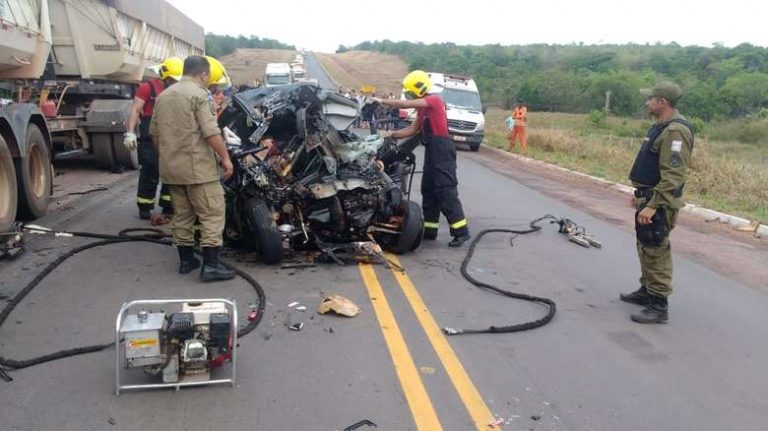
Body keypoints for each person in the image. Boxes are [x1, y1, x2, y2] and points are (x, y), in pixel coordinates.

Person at [150, 55, 236, 282]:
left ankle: (186, 261)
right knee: (212, 214)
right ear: (204, 75)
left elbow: (155, 134)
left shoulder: (163, 96)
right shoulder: (199, 95)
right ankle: (211, 265)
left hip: (172, 169)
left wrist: (167, 156)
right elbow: (211, 132)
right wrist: (225, 158)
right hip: (198, 169)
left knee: (182, 215)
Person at [621, 82, 694, 323]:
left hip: (660, 202)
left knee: (656, 249)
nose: (647, 102)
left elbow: (673, 175)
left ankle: (659, 304)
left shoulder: (675, 132)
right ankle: (647, 290)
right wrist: (640, 194)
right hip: (649, 196)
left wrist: (653, 204)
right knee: (646, 245)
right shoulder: (661, 127)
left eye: (650, 99)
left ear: (662, 102)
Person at [377, 70, 470, 247]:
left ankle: (461, 232)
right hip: (432, 150)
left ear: (418, 88)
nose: (409, 95)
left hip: (443, 149)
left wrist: (381, 101)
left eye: (410, 92)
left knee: (445, 189)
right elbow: (412, 130)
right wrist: (390, 134)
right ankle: (430, 230)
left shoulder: (433, 100)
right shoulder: (422, 109)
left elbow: (404, 104)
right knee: (428, 189)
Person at [124, 57, 183, 221]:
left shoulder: (179, 90)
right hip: (150, 134)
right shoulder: (147, 88)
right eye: (173, 80)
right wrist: (130, 133)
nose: (175, 83)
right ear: (165, 76)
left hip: (172, 134)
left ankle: (168, 206)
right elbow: (136, 110)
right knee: (150, 170)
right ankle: (145, 206)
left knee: (172, 171)